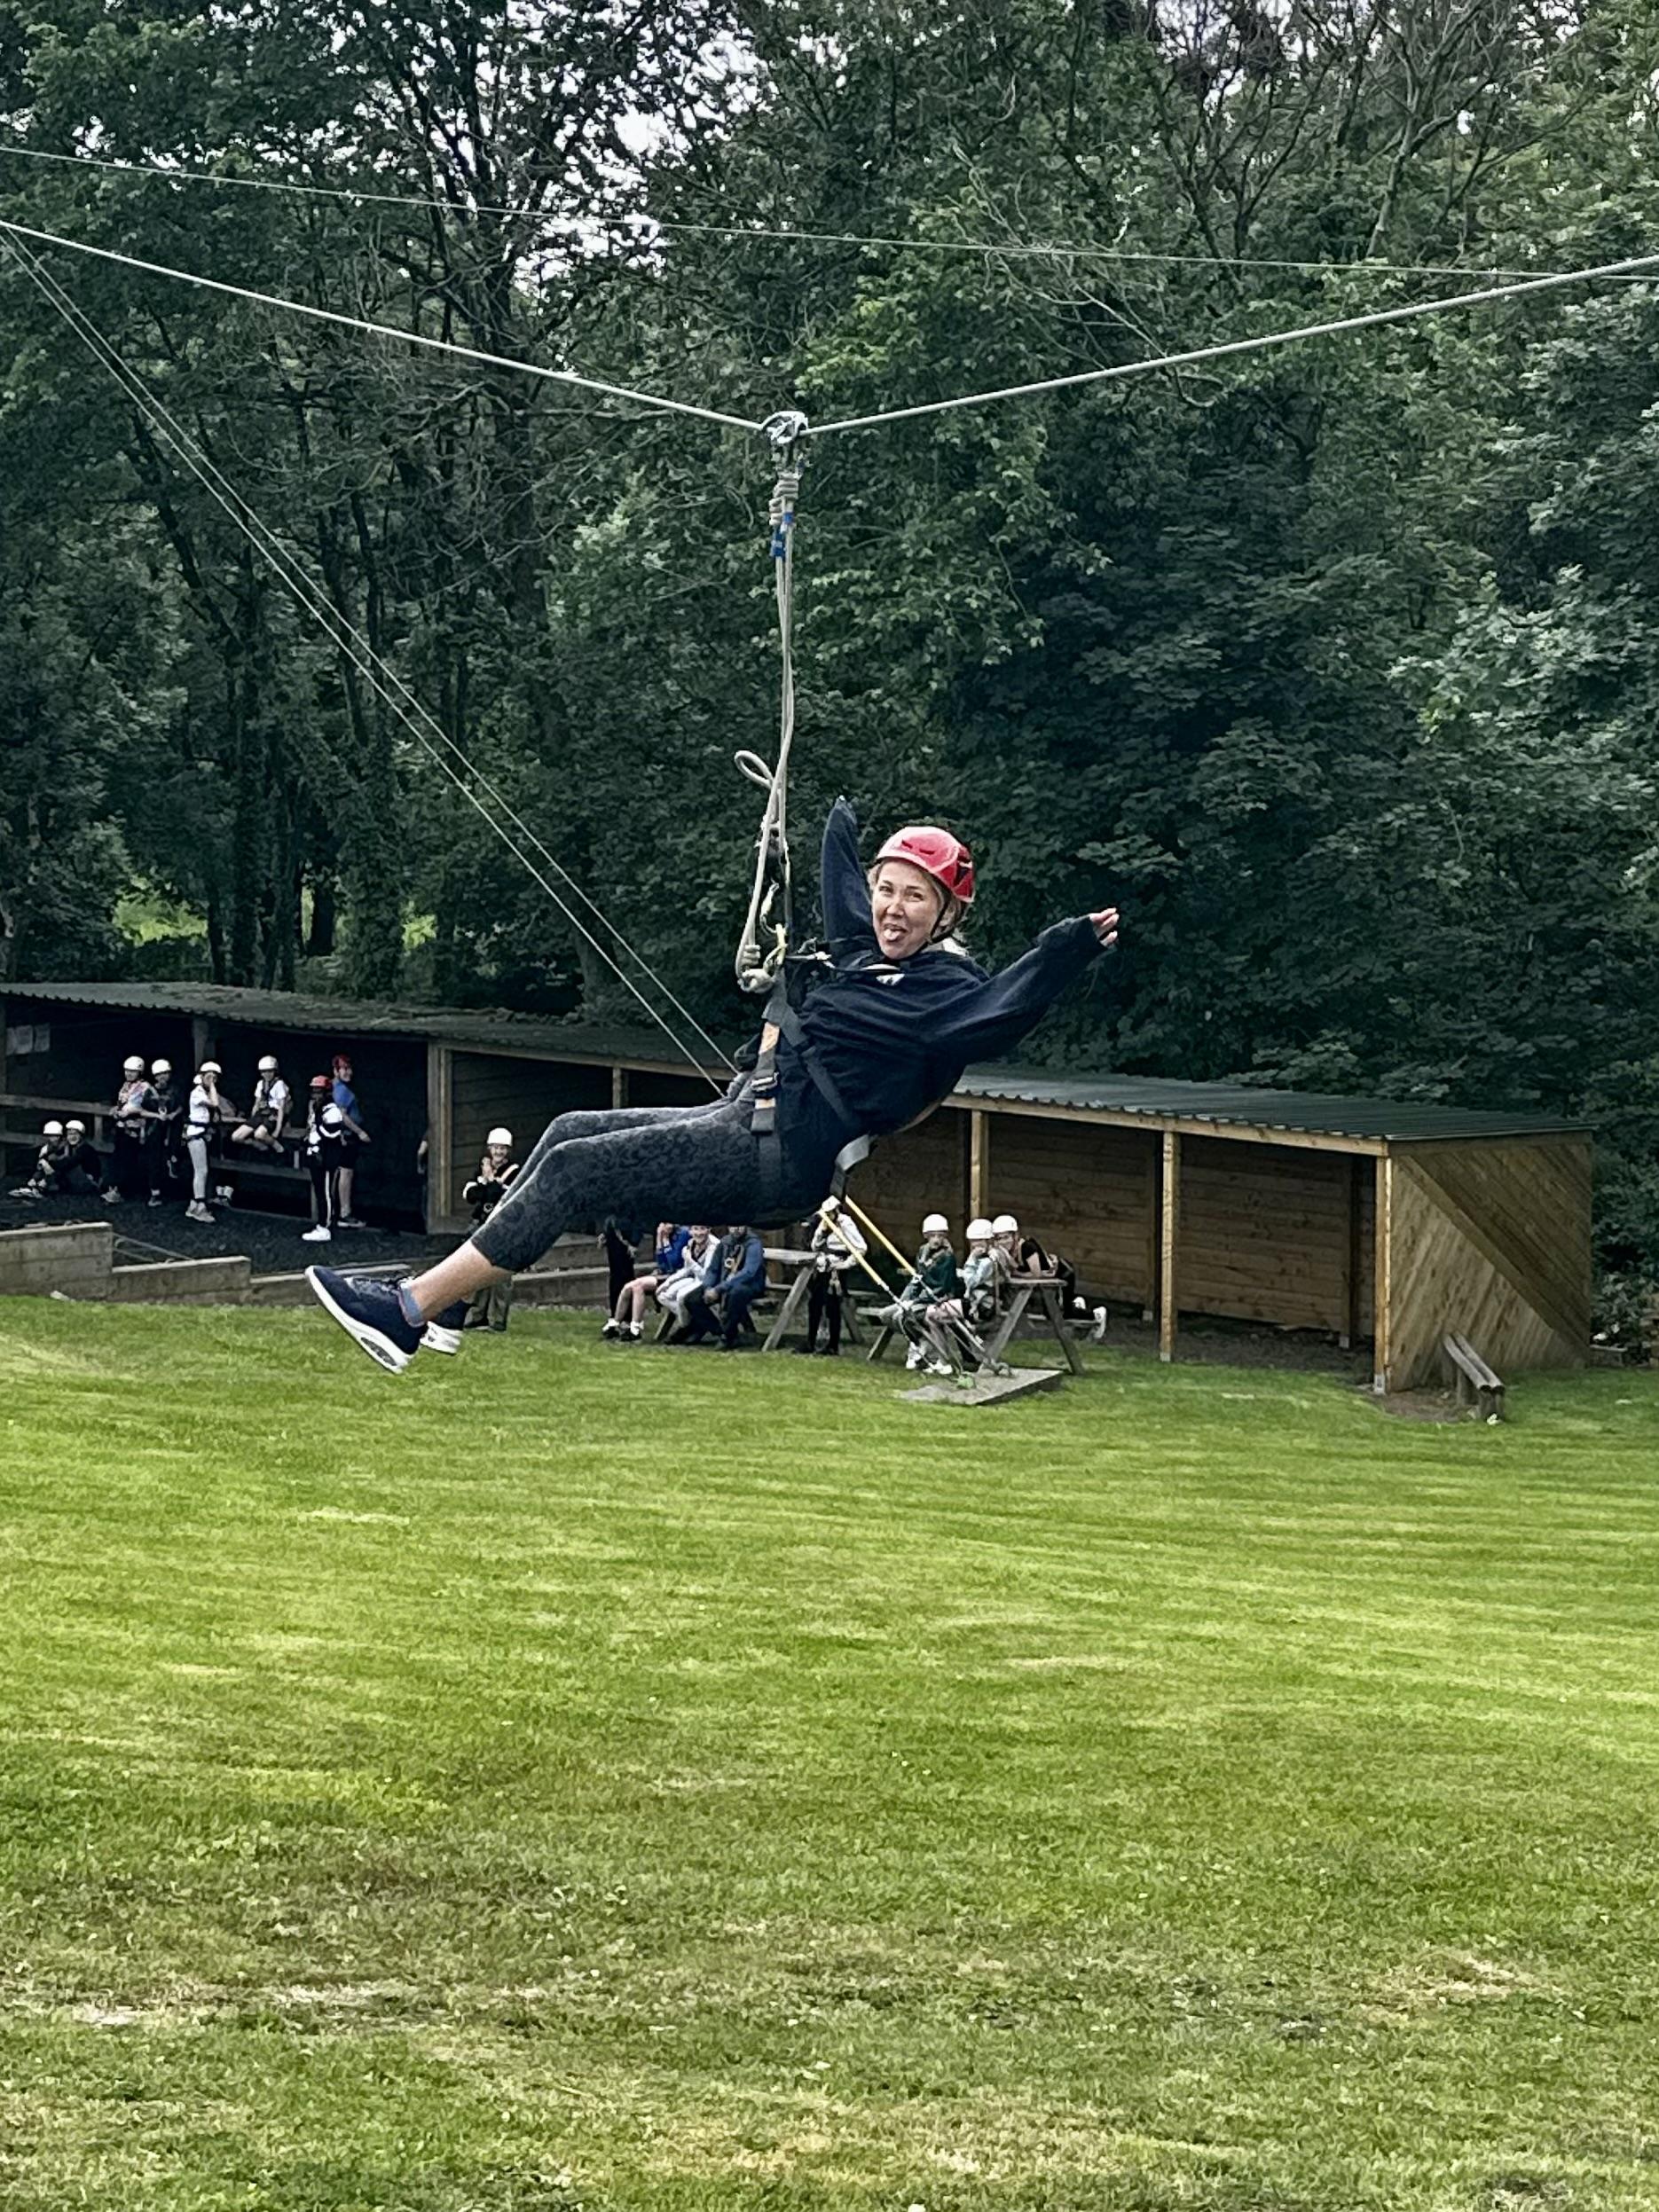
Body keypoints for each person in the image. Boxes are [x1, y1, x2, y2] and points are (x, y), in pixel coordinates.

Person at [307, 796, 1119, 1373]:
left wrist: (1065, 949)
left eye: (915, 897)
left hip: (776, 1159)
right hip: (746, 1120)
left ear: (945, 917)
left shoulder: (942, 995)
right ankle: (453, 1303)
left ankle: (407, 1312)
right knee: (567, 1132)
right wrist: (836, 832)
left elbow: (1001, 1011)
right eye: (886, 888)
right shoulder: (866, 957)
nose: (892, 908)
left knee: (575, 1171)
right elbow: (843, 904)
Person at [877, 1212, 964, 1375]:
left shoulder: (947, 1257)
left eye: (940, 1236)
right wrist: (905, 1299)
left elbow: (943, 1287)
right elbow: (917, 1278)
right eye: (933, 1235)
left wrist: (916, 1301)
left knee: (905, 1315)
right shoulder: (922, 1252)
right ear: (926, 1236)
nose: (936, 1239)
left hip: (937, 1298)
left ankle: (920, 1345)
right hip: (920, 1296)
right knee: (886, 1314)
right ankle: (920, 1340)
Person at [461, 1128, 521, 1331]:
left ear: (508, 1150)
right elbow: (470, 1195)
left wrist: (490, 1183)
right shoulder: (481, 1169)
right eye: (496, 1148)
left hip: (504, 1225)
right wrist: (488, 1183)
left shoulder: (514, 1171)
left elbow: (500, 1196)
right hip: (482, 1224)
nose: (499, 1152)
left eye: (503, 1148)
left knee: (501, 1273)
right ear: (489, 1149)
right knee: (478, 1270)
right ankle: (477, 1315)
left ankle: (497, 1320)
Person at [797, 1197, 867, 1356]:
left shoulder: (845, 1223)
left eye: (830, 1213)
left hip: (838, 1268)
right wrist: (822, 1231)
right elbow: (815, 1246)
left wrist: (846, 1264)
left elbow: (861, 1248)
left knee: (832, 1306)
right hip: (823, 1266)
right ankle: (810, 1341)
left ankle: (833, 1345)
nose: (828, 1216)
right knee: (814, 1303)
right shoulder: (823, 1223)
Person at [680, 1222, 767, 1349]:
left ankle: (728, 1337)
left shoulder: (753, 1244)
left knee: (735, 1295)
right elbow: (713, 1269)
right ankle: (720, 1331)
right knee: (692, 1299)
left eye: (739, 1226)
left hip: (749, 1285)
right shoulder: (725, 1242)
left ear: (745, 1226)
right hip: (723, 1282)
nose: (736, 1229)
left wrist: (719, 1289)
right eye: (733, 1226)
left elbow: (749, 1272)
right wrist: (708, 1287)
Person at [603, 1220, 688, 1341]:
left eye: (667, 1223)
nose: (665, 1227)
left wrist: (664, 1240)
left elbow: (674, 1262)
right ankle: (615, 1323)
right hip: (664, 1274)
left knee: (638, 1287)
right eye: (663, 1224)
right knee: (628, 1287)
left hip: (678, 1275)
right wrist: (659, 1239)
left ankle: (635, 1328)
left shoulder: (683, 1234)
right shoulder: (663, 1234)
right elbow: (661, 1262)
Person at [106, 1053, 160, 1202]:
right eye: (127, 1071)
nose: (129, 1074)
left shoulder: (146, 1088)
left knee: (128, 1159)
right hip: (121, 1126)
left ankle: (122, 1190)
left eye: (133, 1071)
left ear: (139, 1072)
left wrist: (134, 1113)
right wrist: (116, 1109)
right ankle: (114, 1188)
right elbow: (122, 1102)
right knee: (118, 1158)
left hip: (136, 1129)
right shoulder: (125, 1086)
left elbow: (152, 1107)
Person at [300, 1078, 346, 1244]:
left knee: (325, 1193)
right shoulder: (316, 1108)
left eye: (319, 1092)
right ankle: (321, 1224)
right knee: (319, 1191)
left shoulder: (332, 1110)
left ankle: (324, 1227)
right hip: (316, 1155)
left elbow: (332, 1133)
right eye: (314, 1092)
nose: (315, 1095)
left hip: (327, 1158)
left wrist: (318, 1126)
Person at [329, 1054, 372, 1227]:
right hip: (346, 1136)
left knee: (336, 1172)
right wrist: (360, 1132)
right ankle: (345, 1214)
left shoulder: (331, 1088)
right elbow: (342, 1115)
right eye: (344, 1069)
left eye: (349, 1069)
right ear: (336, 1071)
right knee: (346, 1173)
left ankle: (332, 1211)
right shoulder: (342, 1091)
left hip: (336, 1136)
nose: (349, 1073)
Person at [655, 1223, 719, 1337]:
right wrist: (667, 1283)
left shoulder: (713, 1246)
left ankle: (684, 1328)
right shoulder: (690, 1244)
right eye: (695, 1229)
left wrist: (690, 1260)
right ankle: (693, 1322)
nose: (699, 1233)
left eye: (702, 1229)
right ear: (690, 1231)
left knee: (681, 1296)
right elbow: (686, 1270)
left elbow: (706, 1275)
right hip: (694, 1278)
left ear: (709, 1230)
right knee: (663, 1295)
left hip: (709, 1282)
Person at [182, 1060, 226, 1223]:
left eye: (214, 1078)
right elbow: (214, 1103)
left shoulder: (203, 1092)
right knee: (201, 1171)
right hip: (196, 1135)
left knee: (201, 1170)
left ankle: (194, 1204)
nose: (212, 1080)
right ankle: (200, 1206)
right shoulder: (197, 1093)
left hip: (202, 1133)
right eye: (209, 1077)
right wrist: (212, 1086)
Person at [232, 1055, 291, 1154]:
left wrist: (277, 1129)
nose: (267, 1074)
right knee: (236, 1137)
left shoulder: (279, 1084)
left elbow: (281, 1108)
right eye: (264, 1072)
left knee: (259, 1134)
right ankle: (258, 1145)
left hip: (274, 1114)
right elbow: (257, 1103)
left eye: (270, 1071)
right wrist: (252, 1120)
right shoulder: (260, 1084)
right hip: (261, 1113)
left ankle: (276, 1146)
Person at [148, 1058, 183, 1206]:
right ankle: (155, 1194)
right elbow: (143, 1109)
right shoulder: (149, 1092)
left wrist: (173, 1115)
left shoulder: (175, 1090)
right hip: (155, 1129)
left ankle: (173, 1167)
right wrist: (156, 1116)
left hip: (172, 1128)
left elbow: (181, 1106)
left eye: (165, 1073)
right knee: (154, 1160)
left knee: (174, 1152)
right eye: (159, 1074)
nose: (163, 1077)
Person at [10, 1119, 69, 1198]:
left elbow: (66, 1157)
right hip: (49, 1172)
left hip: (61, 1172)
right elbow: (40, 1165)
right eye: (50, 1136)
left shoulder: (64, 1145)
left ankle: (41, 1187)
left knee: (49, 1176)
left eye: (54, 1136)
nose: (51, 1138)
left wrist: (57, 1158)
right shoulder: (46, 1148)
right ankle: (33, 1187)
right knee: (41, 1170)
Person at [961, 1217, 1000, 1330]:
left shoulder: (988, 1261)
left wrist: (971, 1258)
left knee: (942, 1310)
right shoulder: (986, 1258)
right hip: (979, 1301)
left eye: (979, 1240)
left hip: (983, 1306)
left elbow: (970, 1282)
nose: (975, 1244)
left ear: (989, 1241)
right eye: (973, 1241)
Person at [59, 1119, 104, 1196]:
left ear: (81, 1136)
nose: (72, 1137)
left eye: (75, 1134)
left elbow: (69, 1164)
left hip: (87, 1182)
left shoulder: (85, 1149)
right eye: (70, 1134)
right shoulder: (73, 1147)